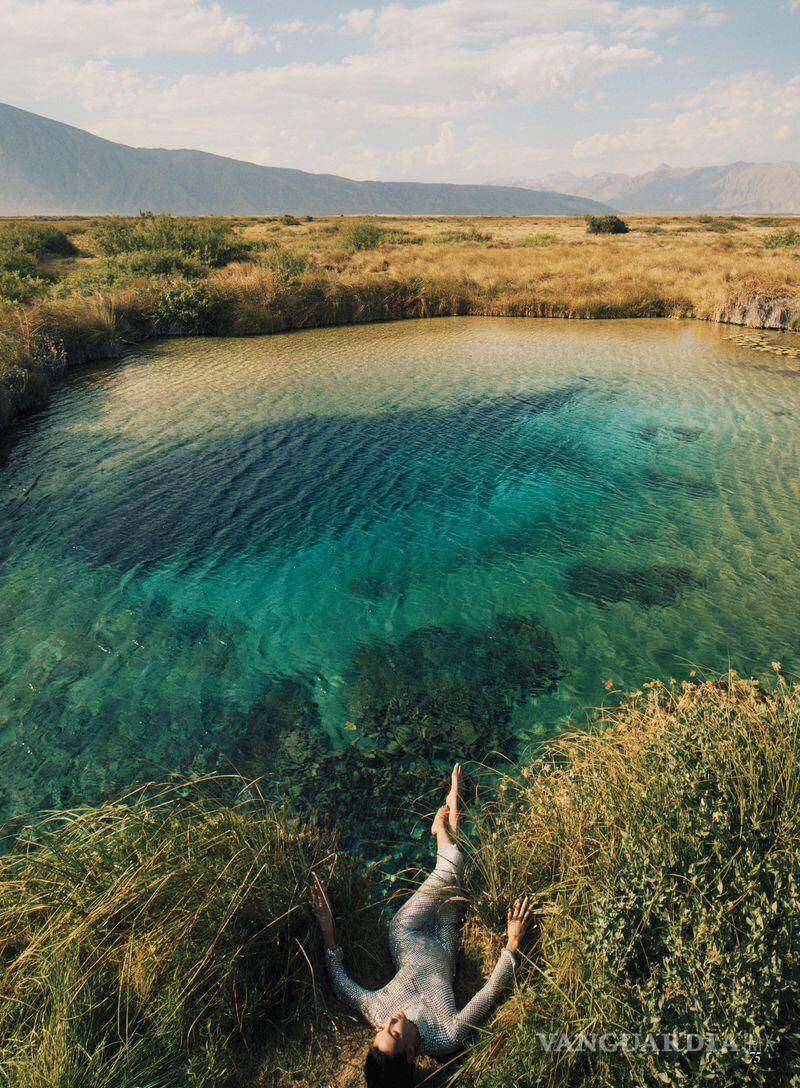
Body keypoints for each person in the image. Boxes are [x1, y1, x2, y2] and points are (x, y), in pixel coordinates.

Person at [310, 763, 532, 1087]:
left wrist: (326, 926)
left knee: (452, 866)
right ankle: (448, 818)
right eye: (394, 1033)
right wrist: (512, 942)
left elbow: (342, 986)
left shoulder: (378, 1012)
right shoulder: (447, 1035)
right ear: (411, 1055)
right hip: (444, 941)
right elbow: (489, 993)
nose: (389, 1022)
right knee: (455, 876)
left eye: (380, 1032)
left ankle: (441, 827)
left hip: (406, 931)